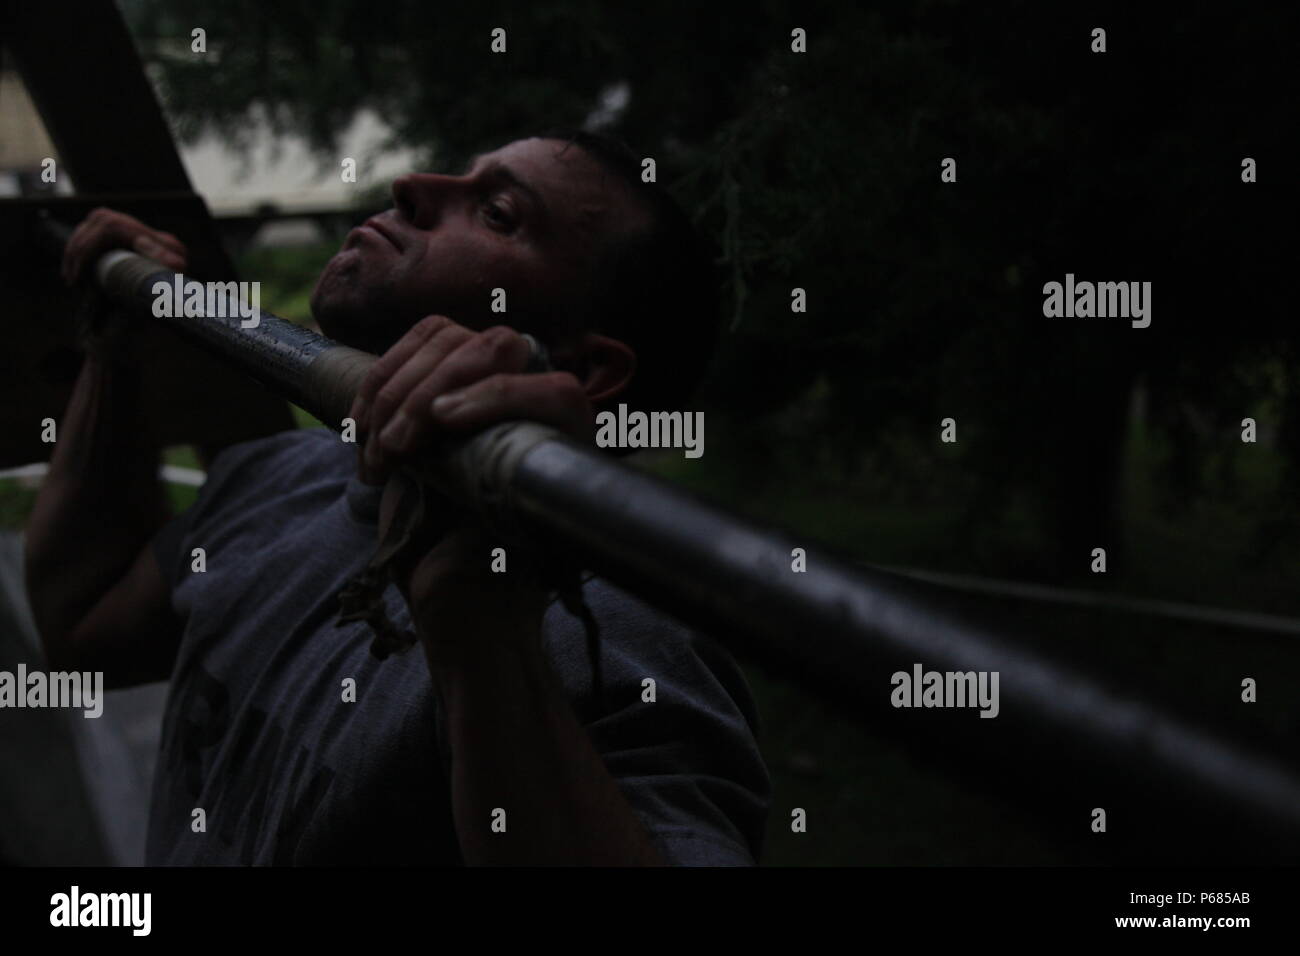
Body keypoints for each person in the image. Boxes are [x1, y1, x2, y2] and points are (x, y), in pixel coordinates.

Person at [26, 130, 771, 865]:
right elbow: (79, 624)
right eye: (460, 173)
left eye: (498, 212)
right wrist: (113, 351)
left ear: (581, 370)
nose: (412, 183)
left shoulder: (627, 642)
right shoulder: (277, 476)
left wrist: (480, 636)